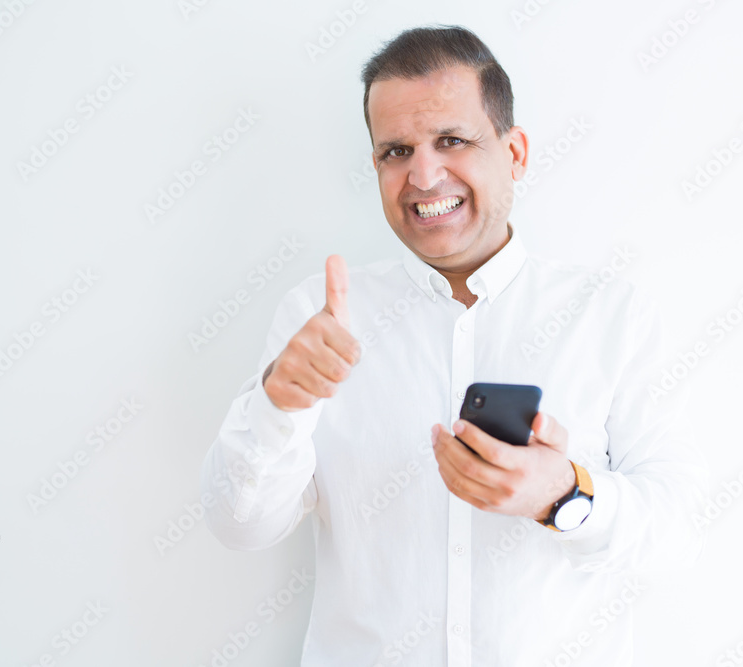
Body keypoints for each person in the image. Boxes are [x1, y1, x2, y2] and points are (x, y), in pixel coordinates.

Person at [200, 24, 709, 666]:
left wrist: (564, 495)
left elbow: (678, 535)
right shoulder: (318, 319)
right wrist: (277, 405)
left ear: (515, 152)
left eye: (451, 140)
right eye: (395, 151)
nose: (422, 173)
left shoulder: (611, 317)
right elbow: (239, 526)